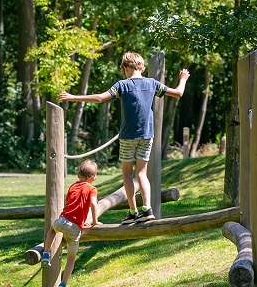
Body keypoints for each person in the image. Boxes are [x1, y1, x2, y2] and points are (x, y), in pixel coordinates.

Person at [58, 52, 189, 224]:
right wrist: (183, 78)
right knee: (142, 173)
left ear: (125, 68)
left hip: (128, 136)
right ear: (142, 67)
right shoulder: (152, 83)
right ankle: (147, 209)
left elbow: (100, 98)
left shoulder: (122, 85)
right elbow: (178, 93)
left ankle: (133, 212)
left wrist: (73, 97)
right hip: (146, 135)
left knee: (127, 174)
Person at [40, 159, 101, 287]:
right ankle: (63, 284)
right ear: (93, 177)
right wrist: (95, 221)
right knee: (71, 259)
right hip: (74, 228)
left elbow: (71, 204)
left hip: (61, 220)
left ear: (78, 175)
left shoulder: (73, 186)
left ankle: (46, 254)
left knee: (52, 230)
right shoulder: (92, 189)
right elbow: (93, 204)